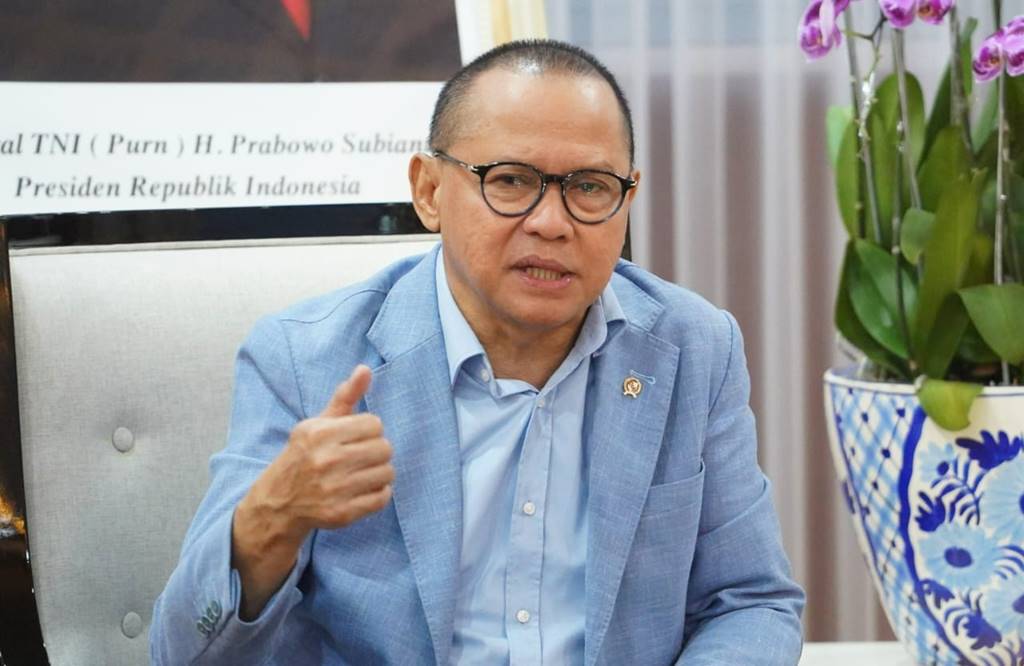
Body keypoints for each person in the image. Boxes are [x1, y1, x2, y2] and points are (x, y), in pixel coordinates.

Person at [150, 39, 805, 665]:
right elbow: (181, 653)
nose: (552, 223)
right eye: (511, 181)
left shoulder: (693, 350)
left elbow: (751, 602)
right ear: (430, 191)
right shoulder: (305, 360)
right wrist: (273, 517)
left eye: (590, 187)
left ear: (627, 197)